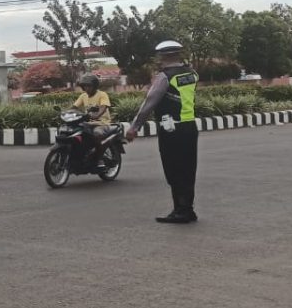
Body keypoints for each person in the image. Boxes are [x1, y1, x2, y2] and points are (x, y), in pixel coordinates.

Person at [125, 40, 199, 224]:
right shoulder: (192, 73)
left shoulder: (164, 77)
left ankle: (181, 211)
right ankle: (187, 209)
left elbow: (149, 103)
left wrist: (134, 127)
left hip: (171, 129)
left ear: (163, 56)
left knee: (174, 169)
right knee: (188, 169)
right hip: (190, 127)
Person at [72, 74, 113, 166]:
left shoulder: (102, 95)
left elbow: (103, 107)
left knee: (97, 134)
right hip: (88, 123)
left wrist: (97, 115)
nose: (87, 88)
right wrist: (65, 113)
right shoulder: (83, 96)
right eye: (85, 86)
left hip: (101, 123)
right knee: (74, 133)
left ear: (95, 86)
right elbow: (74, 107)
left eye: (89, 86)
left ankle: (99, 158)